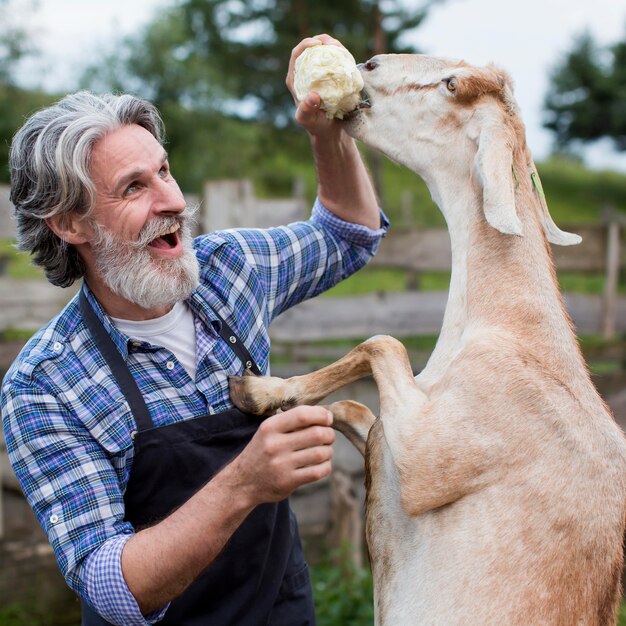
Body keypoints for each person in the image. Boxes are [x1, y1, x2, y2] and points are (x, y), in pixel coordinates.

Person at [0, 35, 386, 626]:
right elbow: (112, 587)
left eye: (165, 171)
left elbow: (347, 236)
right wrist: (244, 484)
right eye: (135, 187)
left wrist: (324, 130)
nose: (173, 200)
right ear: (70, 222)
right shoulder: (45, 385)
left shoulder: (228, 274)